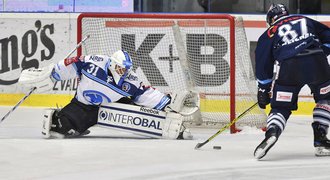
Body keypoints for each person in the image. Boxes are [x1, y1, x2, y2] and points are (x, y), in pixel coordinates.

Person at [18, 50, 197, 140]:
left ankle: (173, 129)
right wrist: (53, 74)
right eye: (120, 67)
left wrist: (167, 103)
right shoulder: (93, 63)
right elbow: (73, 65)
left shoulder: (130, 81)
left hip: (113, 106)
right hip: (83, 106)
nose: (123, 71)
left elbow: (145, 93)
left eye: (126, 69)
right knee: (58, 130)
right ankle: (67, 119)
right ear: (112, 64)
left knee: (141, 112)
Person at [254, 3, 330, 159]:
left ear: (270, 19)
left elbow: (263, 63)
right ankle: (321, 139)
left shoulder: (270, 32)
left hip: (289, 66)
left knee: (281, 106)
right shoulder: (304, 19)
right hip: (317, 61)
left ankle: (273, 131)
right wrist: (322, 51)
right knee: (326, 98)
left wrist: (263, 89)